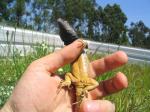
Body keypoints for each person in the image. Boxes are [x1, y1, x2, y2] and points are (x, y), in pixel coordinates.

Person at [0, 39, 128, 112]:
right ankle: (77, 89)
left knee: (91, 85)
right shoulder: (74, 49)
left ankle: (80, 91)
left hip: (81, 82)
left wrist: (82, 89)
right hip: (77, 80)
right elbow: (68, 71)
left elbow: (84, 45)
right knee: (72, 78)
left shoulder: (80, 47)